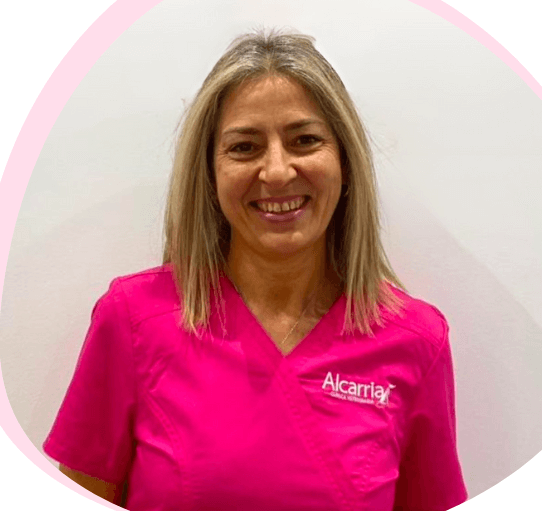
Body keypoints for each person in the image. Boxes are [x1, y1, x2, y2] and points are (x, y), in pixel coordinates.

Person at [43, 30, 468, 510]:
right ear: (210, 172)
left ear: (345, 162)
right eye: (244, 147)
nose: (277, 171)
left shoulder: (416, 341)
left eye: (305, 140)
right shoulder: (133, 319)